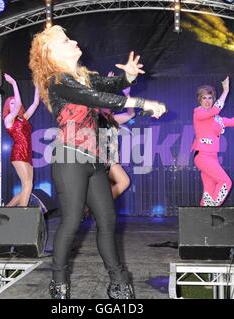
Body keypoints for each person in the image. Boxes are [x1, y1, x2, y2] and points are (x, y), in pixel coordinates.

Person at [29, 25, 166, 299]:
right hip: (69, 157)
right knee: (70, 221)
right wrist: (142, 104)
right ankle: (58, 282)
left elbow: (112, 86)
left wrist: (127, 76)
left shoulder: (84, 77)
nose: (74, 41)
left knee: (108, 220)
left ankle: (118, 282)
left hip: (95, 159)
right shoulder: (58, 80)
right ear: (51, 53)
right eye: (66, 40)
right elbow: (99, 99)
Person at [191, 76, 234, 206]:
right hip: (203, 157)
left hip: (213, 158)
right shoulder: (198, 113)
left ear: (213, 99)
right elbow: (216, 108)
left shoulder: (218, 119)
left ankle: (204, 216)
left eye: (210, 98)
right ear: (200, 100)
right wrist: (225, 91)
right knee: (226, 182)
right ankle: (213, 208)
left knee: (208, 193)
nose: (207, 101)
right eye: (204, 98)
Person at [3, 73, 40, 207]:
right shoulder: (8, 119)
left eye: (15, 102)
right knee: (27, 184)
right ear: (8, 106)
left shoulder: (23, 118)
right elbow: (18, 104)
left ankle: (6, 210)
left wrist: (37, 85)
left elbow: (35, 103)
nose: (14, 105)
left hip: (27, 153)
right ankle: (23, 212)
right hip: (18, 153)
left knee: (28, 186)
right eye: (11, 103)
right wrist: (14, 83)